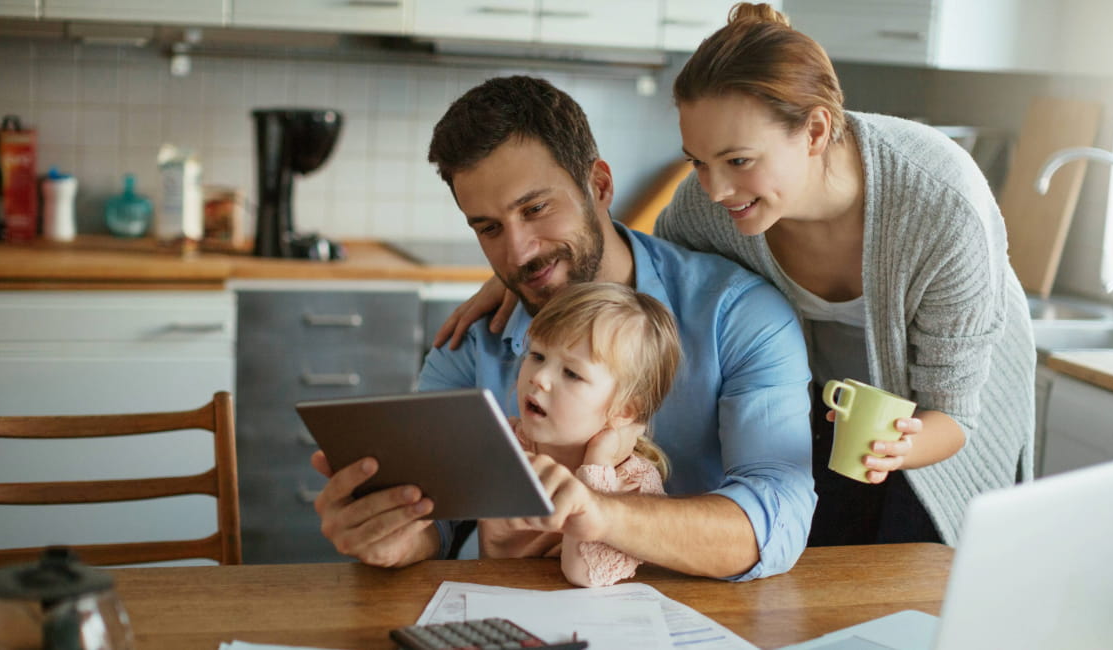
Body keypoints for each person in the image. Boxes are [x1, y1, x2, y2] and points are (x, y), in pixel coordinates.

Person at [438, 5, 1037, 548]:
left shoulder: (940, 203)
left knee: (925, 569)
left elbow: (955, 413)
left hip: (941, 419)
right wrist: (526, 272)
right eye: (699, 162)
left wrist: (900, 446)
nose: (715, 187)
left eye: (738, 162)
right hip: (832, 413)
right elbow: (645, 279)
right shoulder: (712, 205)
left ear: (817, 132)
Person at [311, 74, 816, 581]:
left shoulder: (739, 316)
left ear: (598, 186)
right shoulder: (471, 342)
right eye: (488, 227)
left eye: (535, 208)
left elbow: (777, 518)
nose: (518, 253)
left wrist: (600, 515)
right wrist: (395, 535)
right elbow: (436, 516)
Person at [482, 281, 679, 587]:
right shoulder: (507, 443)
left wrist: (595, 466)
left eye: (572, 373)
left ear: (624, 410)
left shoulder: (632, 482)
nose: (540, 378)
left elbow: (583, 573)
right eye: (536, 355)